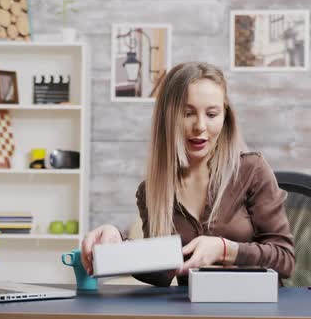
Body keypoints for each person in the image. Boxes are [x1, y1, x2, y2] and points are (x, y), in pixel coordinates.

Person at [81, 62, 295, 287]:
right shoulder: (151, 190)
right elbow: (161, 274)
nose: (200, 126)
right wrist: (119, 243)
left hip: (254, 313)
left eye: (212, 114)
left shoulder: (251, 170)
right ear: (168, 117)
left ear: (225, 117)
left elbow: (285, 259)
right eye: (188, 113)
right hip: (192, 316)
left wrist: (224, 249)